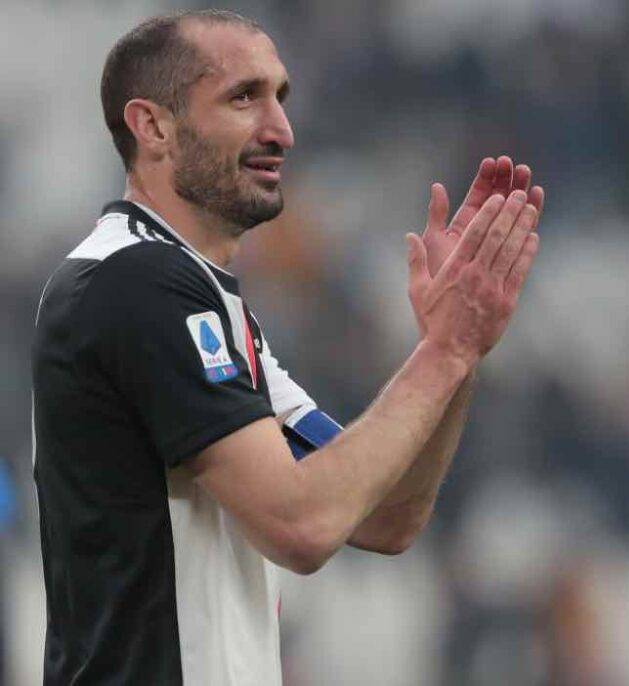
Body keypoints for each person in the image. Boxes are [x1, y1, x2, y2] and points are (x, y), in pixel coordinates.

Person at [31, 9, 543, 684]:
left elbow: (386, 518)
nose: (281, 130)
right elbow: (302, 526)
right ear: (152, 126)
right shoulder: (133, 281)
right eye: (244, 97)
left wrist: (457, 349)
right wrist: (443, 353)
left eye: (281, 97)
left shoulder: (207, 305)